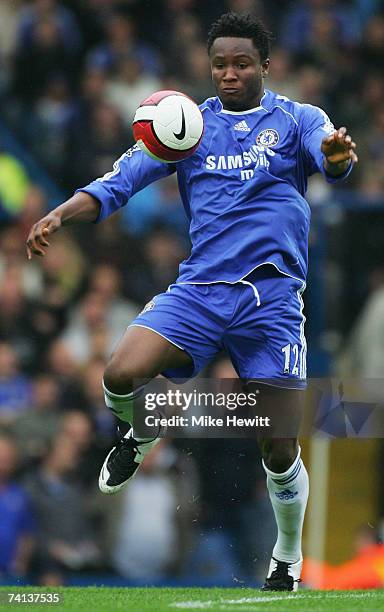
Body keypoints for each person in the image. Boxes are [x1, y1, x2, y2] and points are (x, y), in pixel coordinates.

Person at [26, 12, 358, 591]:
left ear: (264, 66)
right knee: (121, 371)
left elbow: (335, 158)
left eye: (241, 63)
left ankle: (286, 556)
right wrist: (59, 212)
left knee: (278, 447)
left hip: (272, 301)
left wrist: (335, 157)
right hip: (201, 291)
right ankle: (141, 432)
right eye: (220, 65)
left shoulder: (298, 119)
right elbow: (117, 184)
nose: (229, 74)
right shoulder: (186, 127)